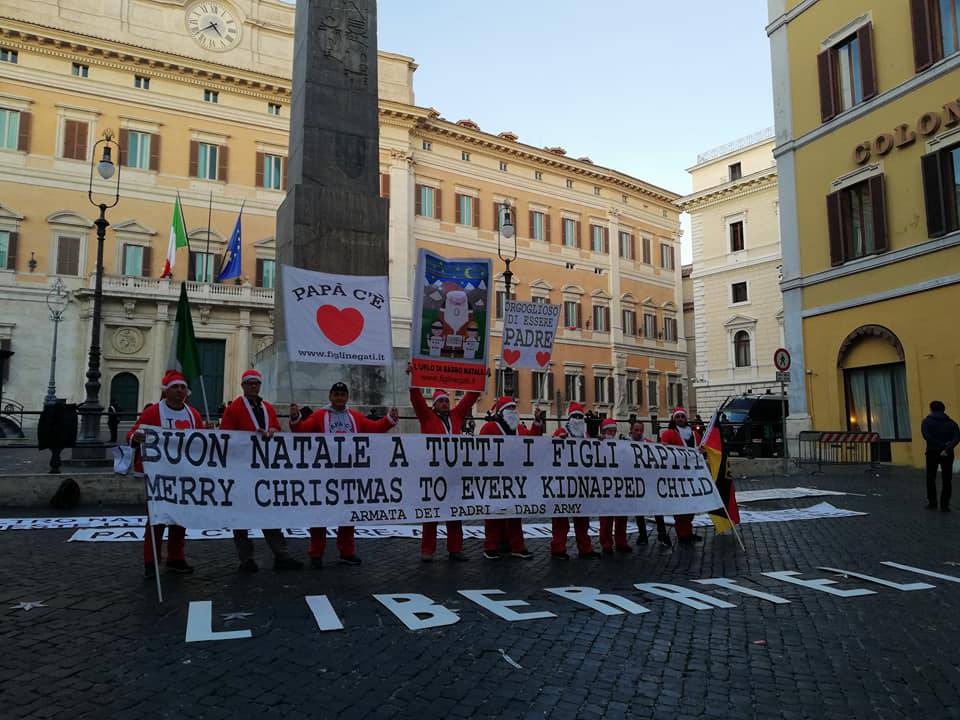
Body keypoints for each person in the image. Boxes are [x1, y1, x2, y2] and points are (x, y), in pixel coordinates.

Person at [289, 382, 399, 568]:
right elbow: (301, 430)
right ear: (330, 396)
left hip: (349, 473)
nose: (339, 398)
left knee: (348, 515)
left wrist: (389, 419)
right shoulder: (319, 416)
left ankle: (347, 552)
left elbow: (374, 428)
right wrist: (295, 417)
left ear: (347, 397)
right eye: (336, 394)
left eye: (342, 394)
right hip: (325, 474)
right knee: (320, 514)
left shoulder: (354, 417)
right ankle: (316, 553)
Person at [220, 369, 304, 572]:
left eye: (256, 383)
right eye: (249, 383)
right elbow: (225, 437)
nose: (253, 386)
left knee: (270, 514)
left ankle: (281, 554)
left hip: (265, 471)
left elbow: (276, 428)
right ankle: (246, 559)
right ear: (242, 386)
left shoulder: (267, 407)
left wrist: (274, 430)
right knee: (241, 518)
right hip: (241, 471)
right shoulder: (233, 409)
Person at [128, 370, 204, 577]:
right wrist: (137, 436)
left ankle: (175, 558)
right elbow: (133, 434)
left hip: (184, 474)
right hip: (159, 475)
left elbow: (201, 442)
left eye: (183, 387)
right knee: (157, 518)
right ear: (166, 390)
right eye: (175, 387)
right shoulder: (153, 412)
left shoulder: (193, 414)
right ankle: (150, 561)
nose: (180, 391)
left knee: (180, 518)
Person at [407, 363, 478, 562]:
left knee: (454, 513)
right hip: (433, 473)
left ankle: (455, 549)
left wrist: (482, 377)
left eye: (447, 401)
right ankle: (427, 551)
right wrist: (412, 380)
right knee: (431, 515)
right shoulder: (426, 416)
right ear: (434, 404)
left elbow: (469, 399)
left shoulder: (456, 416)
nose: (445, 404)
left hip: (453, 473)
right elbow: (417, 399)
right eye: (441, 401)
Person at [479, 397, 543, 560]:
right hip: (494, 477)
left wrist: (536, 423)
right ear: (501, 412)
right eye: (510, 408)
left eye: (515, 407)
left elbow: (532, 440)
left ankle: (517, 546)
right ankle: (491, 546)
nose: (514, 410)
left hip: (515, 479)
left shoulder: (519, 429)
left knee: (515, 514)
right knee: (493, 513)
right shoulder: (489, 427)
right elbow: (480, 450)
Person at [550, 402, 599, 560]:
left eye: (580, 417)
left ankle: (585, 548)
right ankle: (558, 548)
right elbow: (549, 450)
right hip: (563, 484)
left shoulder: (586, 436)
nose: (578, 419)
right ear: (569, 418)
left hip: (581, 483)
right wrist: (558, 440)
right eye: (575, 416)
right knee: (560, 520)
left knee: (583, 520)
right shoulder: (561, 432)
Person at [659, 407, 703, 544]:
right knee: (680, 506)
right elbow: (663, 450)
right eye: (677, 417)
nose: (680, 419)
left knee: (692, 505)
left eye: (682, 417)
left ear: (686, 418)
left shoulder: (695, 435)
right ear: (674, 419)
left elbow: (702, 448)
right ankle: (682, 533)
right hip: (677, 475)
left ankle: (688, 531)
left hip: (693, 474)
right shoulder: (668, 433)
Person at [628, 421, 671, 548]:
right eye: (636, 430)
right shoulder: (625, 444)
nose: (639, 432)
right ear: (631, 430)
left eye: (641, 430)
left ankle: (662, 534)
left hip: (649, 482)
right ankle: (642, 535)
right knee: (639, 511)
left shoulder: (649, 444)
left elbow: (658, 452)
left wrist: (663, 447)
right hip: (636, 482)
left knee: (657, 509)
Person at [597, 418, 631, 555]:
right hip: (604, 484)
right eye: (608, 431)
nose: (611, 432)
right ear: (604, 431)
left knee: (622, 515)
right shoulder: (598, 442)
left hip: (619, 484)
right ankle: (606, 543)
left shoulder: (621, 444)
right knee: (606, 517)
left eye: (613, 430)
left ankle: (621, 541)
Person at [921, 400, 960, 511]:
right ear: (944, 409)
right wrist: (946, 448)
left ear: (931, 409)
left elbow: (927, 436)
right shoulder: (952, 423)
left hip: (932, 452)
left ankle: (932, 503)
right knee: (947, 479)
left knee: (931, 477)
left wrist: (940, 446)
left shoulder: (926, 422)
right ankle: (944, 505)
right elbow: (957, 438)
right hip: (947, 453)